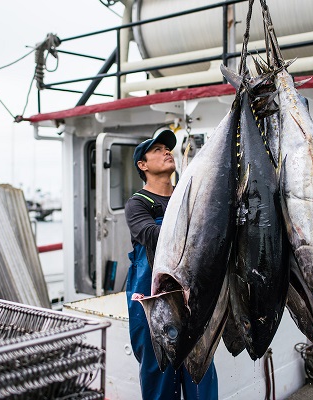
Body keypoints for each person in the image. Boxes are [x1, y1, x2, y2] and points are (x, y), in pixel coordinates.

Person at [124, 129, 218, 400]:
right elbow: (151, 235)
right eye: (157, 149)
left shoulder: (186, 197)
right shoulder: (138, 203)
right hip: (152, 296)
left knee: (200, 369)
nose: (167, 152)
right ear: (143, 165)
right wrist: (195, 223)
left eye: (168, 148)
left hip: (192, 294)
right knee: (159, 371)